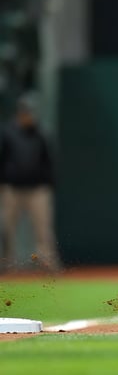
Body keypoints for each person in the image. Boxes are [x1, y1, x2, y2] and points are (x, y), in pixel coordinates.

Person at [0, 93, 62, 273]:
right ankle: (6, 264)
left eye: (31, 112)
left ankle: (47, 264)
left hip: (37, 190)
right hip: (12, 189)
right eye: (25, 112)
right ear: (19, 113)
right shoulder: (7, 133)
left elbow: (48, 161)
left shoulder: (40, 134)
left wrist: (48, 183)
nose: (28, 115)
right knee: (7, 229)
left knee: (43, 230)